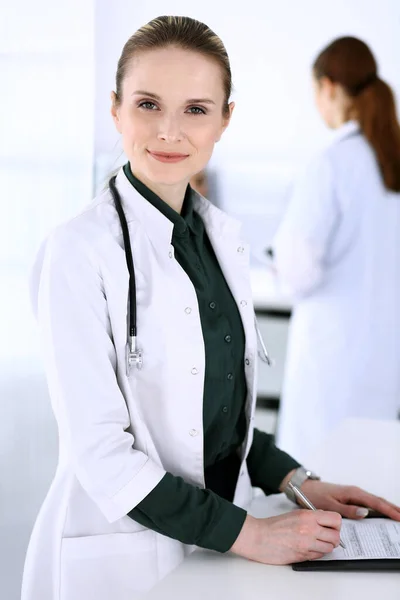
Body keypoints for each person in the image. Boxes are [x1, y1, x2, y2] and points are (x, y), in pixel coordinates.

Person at [21, 20, 400, 600]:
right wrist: (251, 534)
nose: (169, 131)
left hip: (215, 550)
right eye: (148, 103)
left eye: (196, 109)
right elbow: (101, 456)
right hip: (125, 558)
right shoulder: (78, 251)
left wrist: (296, 481)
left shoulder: (218, 240)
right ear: (116, 109)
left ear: (225, 119)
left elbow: (217, 417)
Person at [271, 37, 400, 463]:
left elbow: (297, 270)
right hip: (385, 358)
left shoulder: (331, 163)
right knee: (371, 487)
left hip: (333, 364)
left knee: (316, 489)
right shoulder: (390, 164)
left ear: (327, 87)